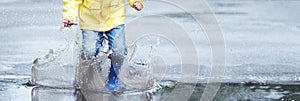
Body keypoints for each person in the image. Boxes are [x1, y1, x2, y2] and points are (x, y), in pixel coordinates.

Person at [61, 0, 144, 91]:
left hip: (115, 18)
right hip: (90, 19)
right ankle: (82, 75)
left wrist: (136, 2)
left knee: (119, 51)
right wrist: (69, 16)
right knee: (89, 51)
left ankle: (113, 77)